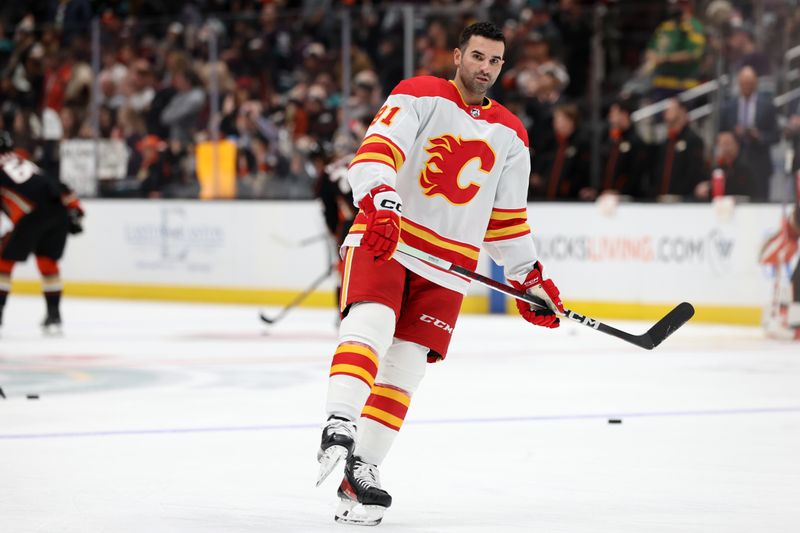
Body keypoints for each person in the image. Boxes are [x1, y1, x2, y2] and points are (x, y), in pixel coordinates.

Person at [315, 22, 565, 526]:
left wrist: (529, 278)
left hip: (448, 268)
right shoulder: (419, 94)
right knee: (372, 324)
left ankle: (361, 471)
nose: (486, 68)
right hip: (391, 237)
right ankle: (339, 424)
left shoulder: (513, 134)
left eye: (495, 61)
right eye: (477, 56)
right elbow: (375, 153)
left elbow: (506, 220)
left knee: (406, 369)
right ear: (457, 55)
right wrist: (382, 201)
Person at [0, 130, 83, 333]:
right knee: (47, 261)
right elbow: (58, 185)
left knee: (3, 261)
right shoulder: (24, 161)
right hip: (59, 211)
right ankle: (54, 316)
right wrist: (75, 210)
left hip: (32, 213)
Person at [719, 66, 779, 199]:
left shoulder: (767, 105)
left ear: (756, 83)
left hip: (760, 164)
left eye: (750, 83)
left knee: (760, 202)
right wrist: (733, 135)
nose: (746, 86)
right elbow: (721, 133)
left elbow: (776, 135)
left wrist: (759, 136)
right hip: (734, 166)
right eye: (744, 83)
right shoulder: (728, 106)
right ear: (739, 83)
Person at [643, 0, 705, 101]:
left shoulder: (694, 26)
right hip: (660, 84)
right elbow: (650, 49)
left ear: (687, 5)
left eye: (679, 4)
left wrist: (665, 58)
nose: (674, 7)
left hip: (683, 86)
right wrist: (653, 56)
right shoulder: (665, 26)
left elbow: (692, 54)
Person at [649, 97, 708, 200]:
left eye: (670, 109)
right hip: (661, 200)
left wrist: (679, 196)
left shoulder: (693, 140)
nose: (665, 112)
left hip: (683, 203)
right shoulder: (666, 141)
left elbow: (694, 174)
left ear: (682, 111)